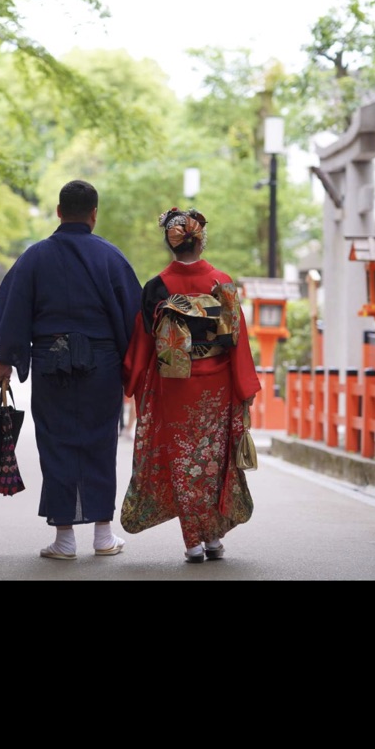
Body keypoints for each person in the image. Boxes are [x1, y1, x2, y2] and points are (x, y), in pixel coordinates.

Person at [0, 180, 143, 559]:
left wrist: (4, 363)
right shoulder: (110, 257)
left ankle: (65, 538)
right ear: (94, 214)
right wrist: (134, 370)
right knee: (101, 441)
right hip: (101, 363)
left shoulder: (35, 257)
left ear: (58, 211)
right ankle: (103, 535)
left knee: (56, 443)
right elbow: (134, 319)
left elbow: (14, 311)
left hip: (50, 361)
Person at [119, 206, 261, 562]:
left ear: (171, 244)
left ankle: (194, 542)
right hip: (217, 384)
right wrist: (245, 387)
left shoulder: (156, 287)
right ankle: (211, 538)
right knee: (212, 462)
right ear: (201, 240)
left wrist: (131, 377)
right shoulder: (221, 281)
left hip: (175, 383)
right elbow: (237, 339)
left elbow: (143, 341)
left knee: (184, 461)